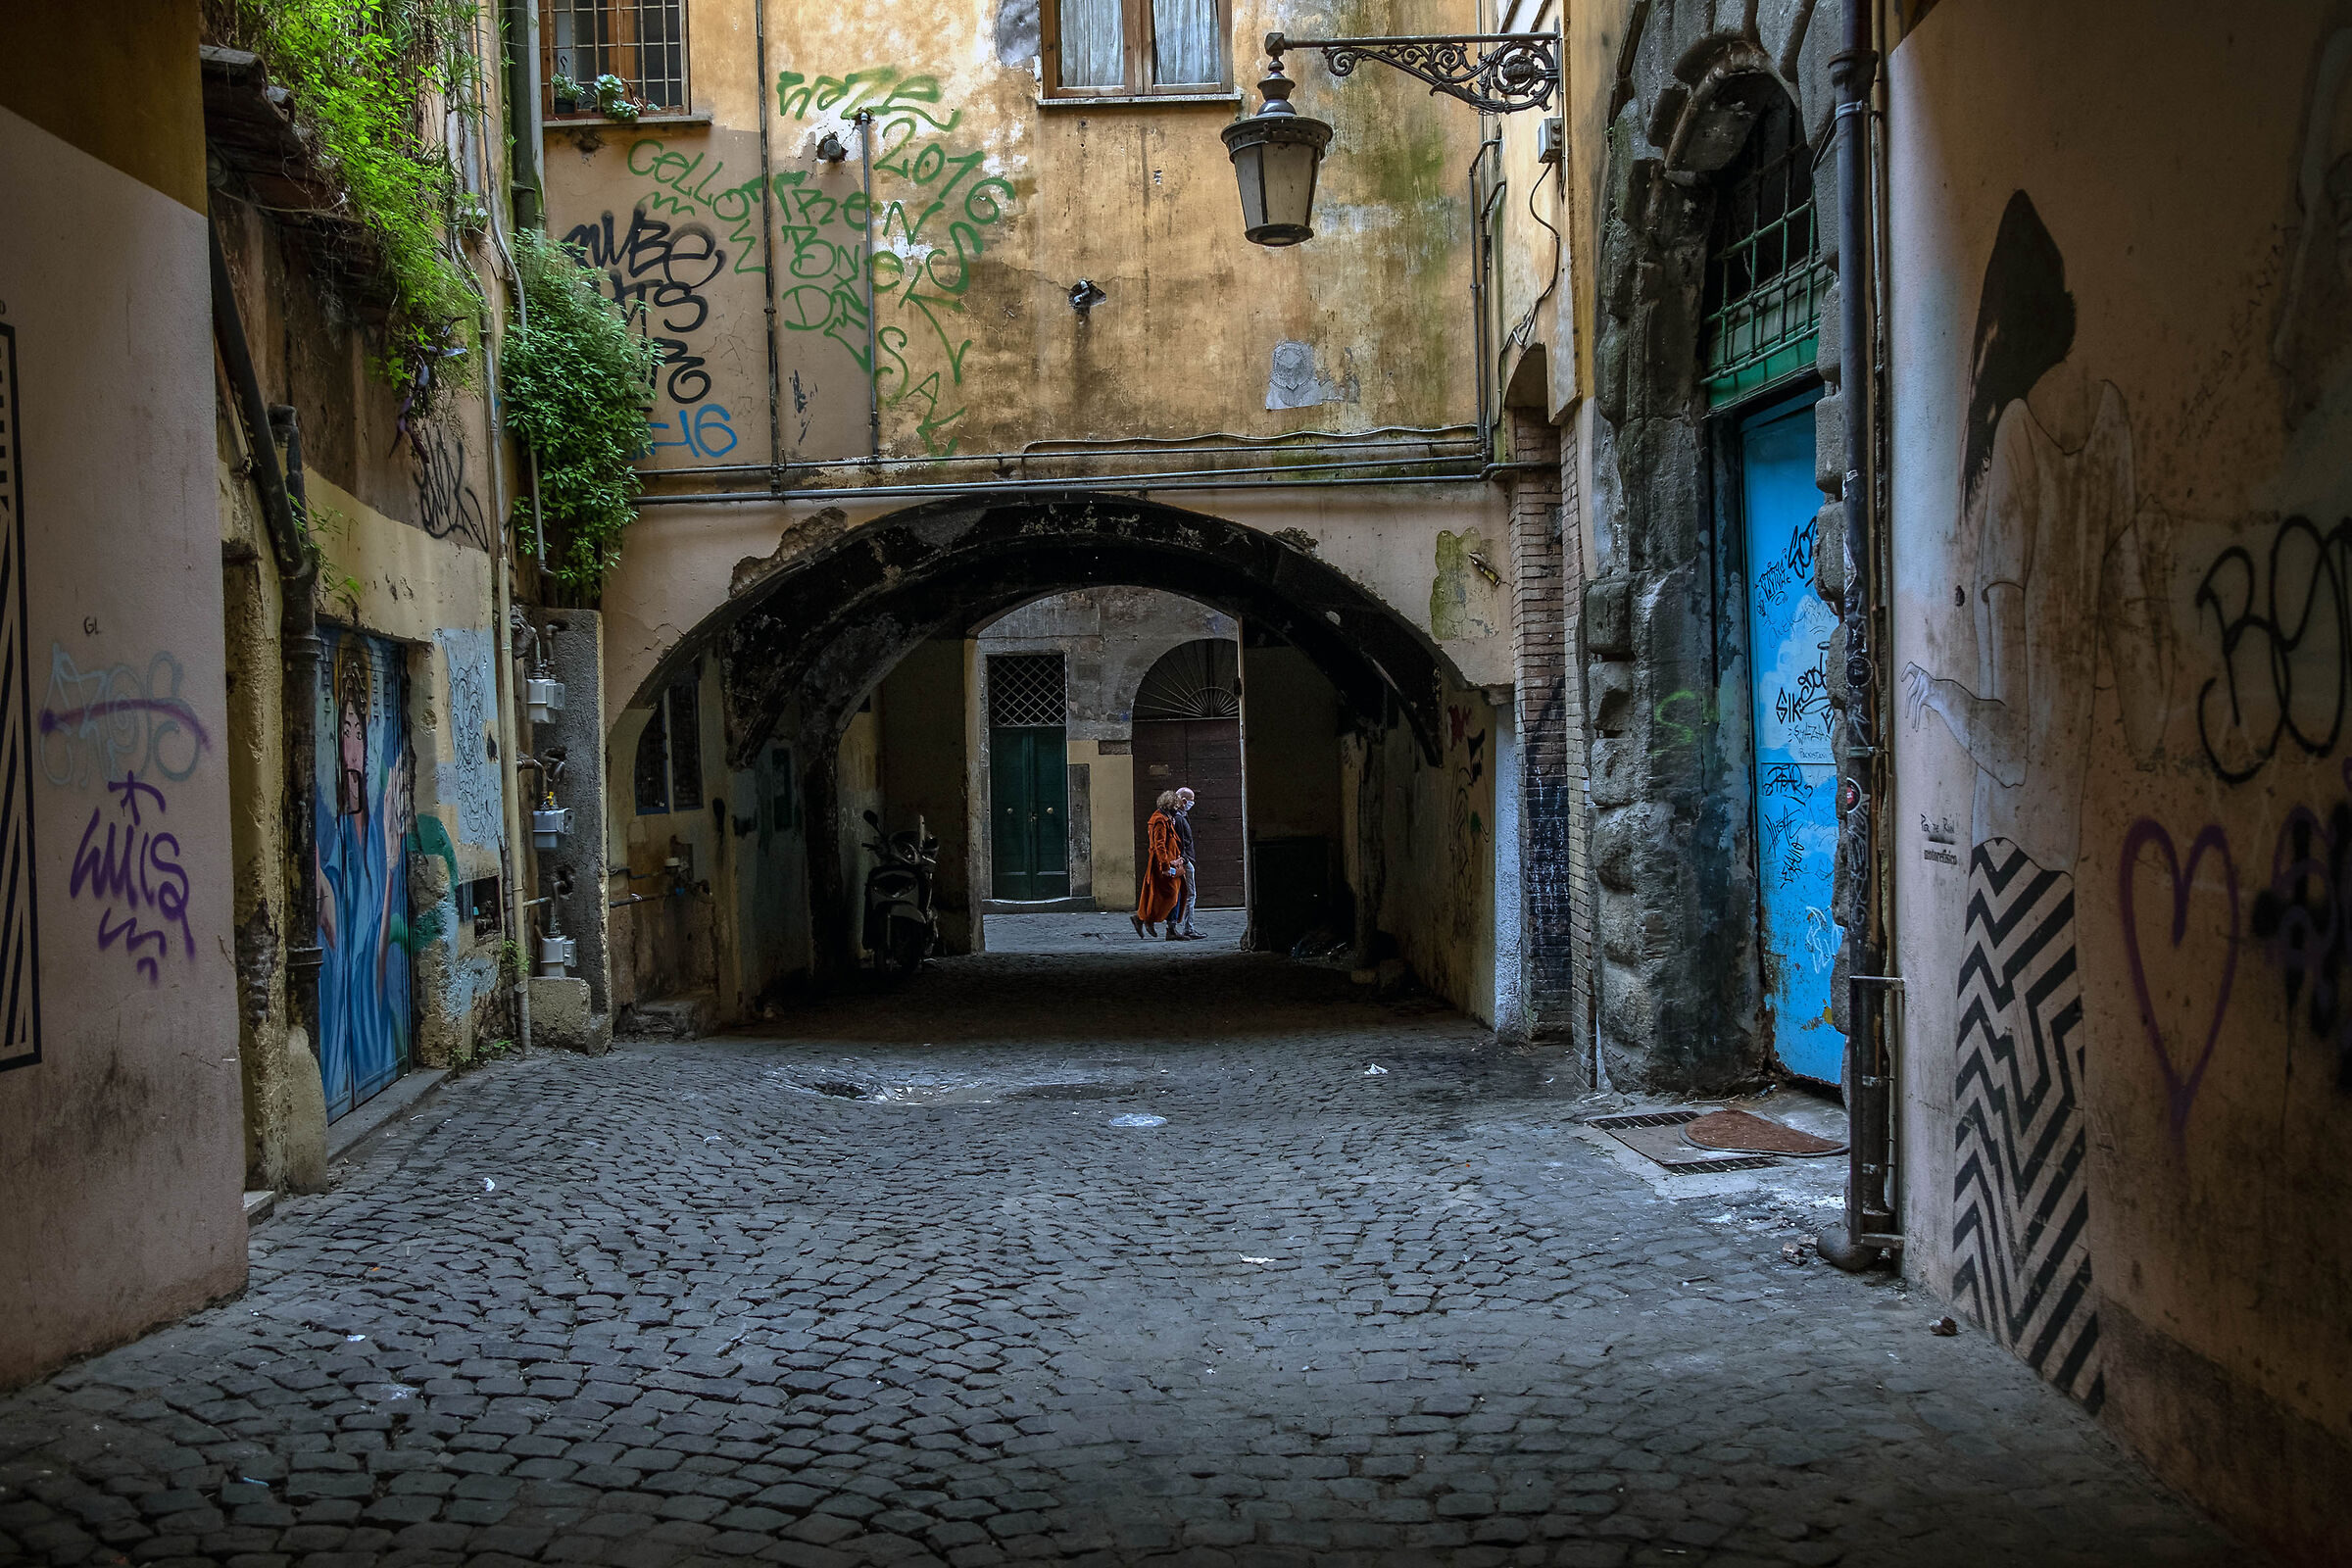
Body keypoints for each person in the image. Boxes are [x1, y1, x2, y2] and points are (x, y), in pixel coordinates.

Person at [1133, 790, 1185, 938]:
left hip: (1170, 863)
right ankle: (1146, 919)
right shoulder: (1159, 820)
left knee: (1163, 894)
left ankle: (1147, 920)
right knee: (1171, 895)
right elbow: (1159, 845)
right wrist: (1166, 866)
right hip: (1164, 865)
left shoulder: (1166, 818)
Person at [1170, 786, 1202, 939]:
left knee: (1179, 894)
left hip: (1180, 861)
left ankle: (1174, 928)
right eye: (1191, 800)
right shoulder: (1179, 818)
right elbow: (1181, 842)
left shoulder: (1177, 816)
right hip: (1183, 861)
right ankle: (1187, 928)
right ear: (1183, 801)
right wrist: (1185, 859)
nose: (1192, 803)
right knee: (1190, 894)